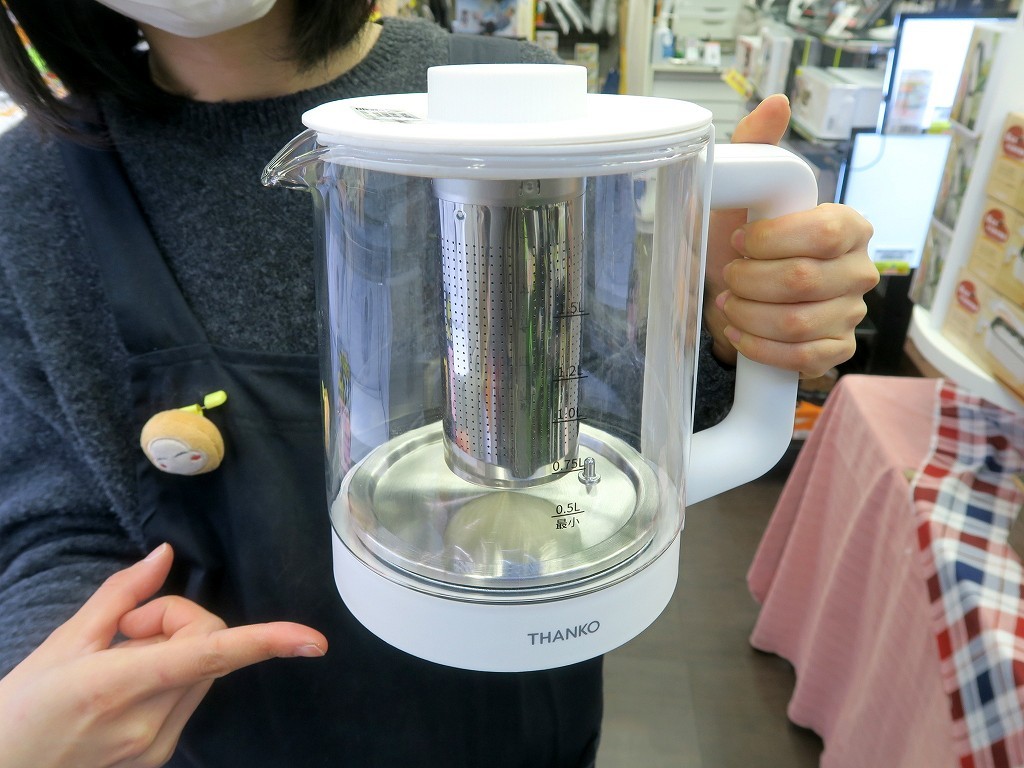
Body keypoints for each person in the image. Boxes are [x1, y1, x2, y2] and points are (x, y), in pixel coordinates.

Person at [0, 1, 879, 766]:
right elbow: (48, 517)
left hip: (521, 712)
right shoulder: (35, 187)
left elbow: (621, 401)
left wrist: (727, 331)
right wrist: (72, 673)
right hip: (226, 721)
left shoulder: (526, 94)